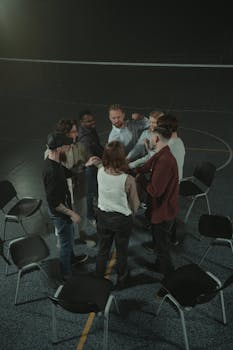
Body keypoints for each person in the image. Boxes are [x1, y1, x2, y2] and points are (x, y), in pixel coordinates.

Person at [86, 141, 140, 288]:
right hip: (121, 221)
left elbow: (100, 166)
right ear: (121, 158)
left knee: (103, 249)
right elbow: (135, 205)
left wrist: (96, 161)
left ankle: (98, 276)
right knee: (121, 251)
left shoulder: (100, 171)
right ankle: (122, 279)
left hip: (103, 217)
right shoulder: (128, 180)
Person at [42, 132, 88, 280]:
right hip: (61, 214)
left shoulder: (55, 162)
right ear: (60, 148)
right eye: (67, 146)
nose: (70, 147)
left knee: (68, 238)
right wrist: (71, 213)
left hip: (64, 209)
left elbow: (67, 172)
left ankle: (71, 259)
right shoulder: (51, 172)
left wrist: (86, 165)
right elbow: (54, 203)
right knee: (65, 244)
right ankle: (66, 274)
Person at [136, 125, 179, 276]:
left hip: (163, 211)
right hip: (161, 209)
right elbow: (146, 166)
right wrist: (133, 170)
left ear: (155, 138)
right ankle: (160, 266)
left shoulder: (165, 161)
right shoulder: (162, 153)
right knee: (159, 244)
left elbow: (155, 190)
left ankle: (170, 280)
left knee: (162, 248)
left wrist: (140, 179)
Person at [53, 119, 96, 247]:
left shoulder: (79, 146)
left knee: (81, 211)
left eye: (76, 131)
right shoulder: (54, 149)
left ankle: (82, 235)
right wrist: (81, 167)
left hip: (79, 186)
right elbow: (55, 170)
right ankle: (60, 238)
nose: (76, 134)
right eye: (72, 132)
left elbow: (89, 158)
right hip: (64, 189)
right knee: (63, 216)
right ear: (64, 134)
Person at [78, 110, 104, 225]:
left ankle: (97, 210)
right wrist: (103, 165)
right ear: (81, 122)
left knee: (96, 190)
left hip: (96, 162)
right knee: (90, 192)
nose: (92, 122)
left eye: (92, 120)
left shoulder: (91, 130)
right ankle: (90, 216)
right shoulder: (84, 138)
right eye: (88, 121)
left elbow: (98, 146)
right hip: (90, 168)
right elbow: (90, 156)